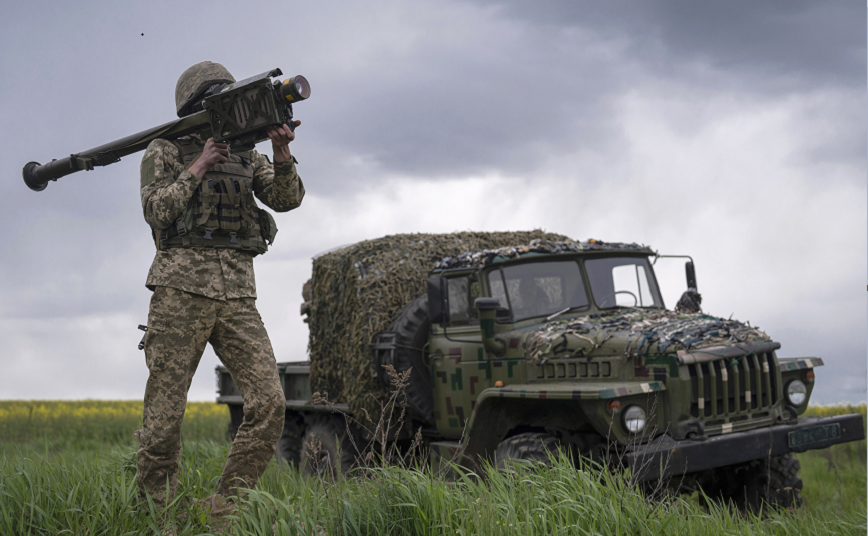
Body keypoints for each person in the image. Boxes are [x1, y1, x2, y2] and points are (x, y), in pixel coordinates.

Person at [135, 61, 304, 516]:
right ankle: (158, 516)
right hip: (179, 293)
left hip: (238, 297)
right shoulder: (163, 150)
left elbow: (287, 199)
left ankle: (224, 508)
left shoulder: (248, 154)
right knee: (164, 419)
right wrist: (200, 164)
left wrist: (282, 153)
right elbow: (157, 211)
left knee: (270, 404)